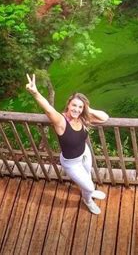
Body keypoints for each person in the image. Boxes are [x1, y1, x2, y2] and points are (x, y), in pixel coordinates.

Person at [26, 73, 109, 214]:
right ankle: (87, 200)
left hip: (85, 153)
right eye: (74, 106)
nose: (76, 109)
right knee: (89, 186)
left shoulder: (82, 118)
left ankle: (88, 192)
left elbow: (104, 118)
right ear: (68, 105)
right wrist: (35, 93)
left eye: (80, 107)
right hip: (71, 163)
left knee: (87, 176)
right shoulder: (61, 122)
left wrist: (87, 109)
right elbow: (48, 109)